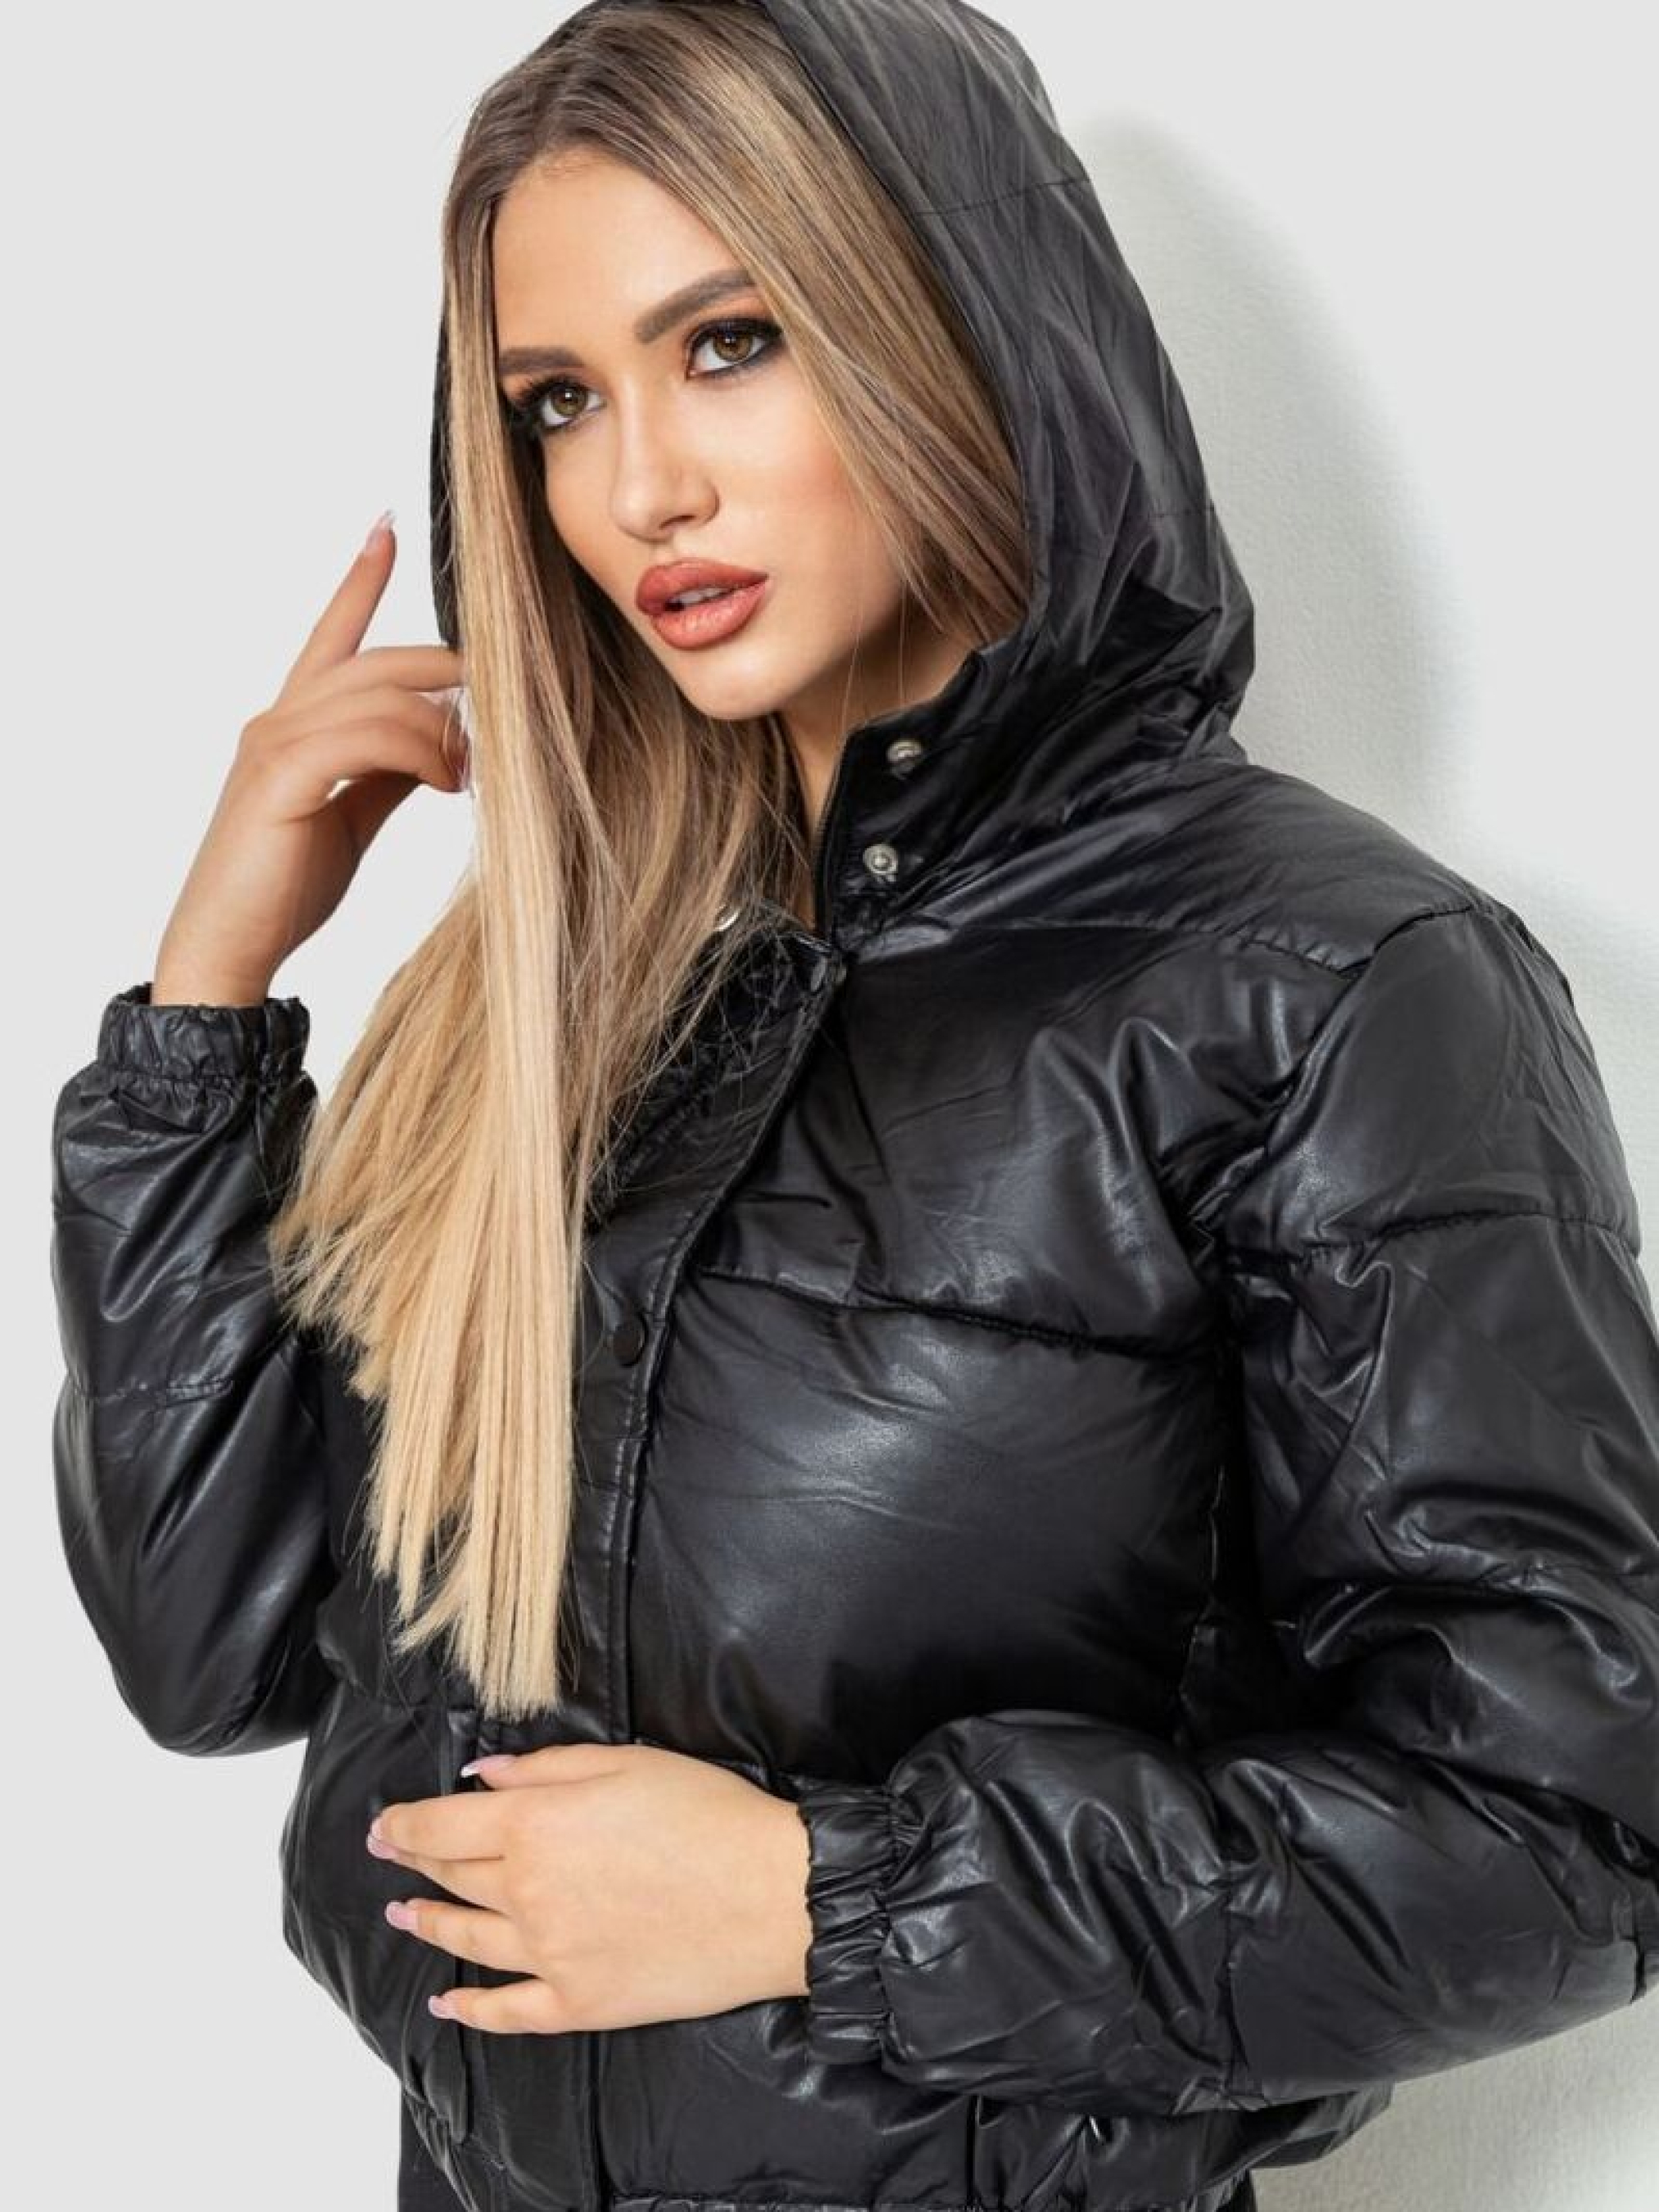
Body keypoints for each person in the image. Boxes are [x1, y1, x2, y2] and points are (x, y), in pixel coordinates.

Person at [48, 2, 1659, 2210]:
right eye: (556, 400)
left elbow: (1571, 1829)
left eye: (729, 345)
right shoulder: (561, 987)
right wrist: (203, 1008)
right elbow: (209, 1649)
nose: (640, 489)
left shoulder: (1325, 985)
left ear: (954, 330)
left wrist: (827, 1899)